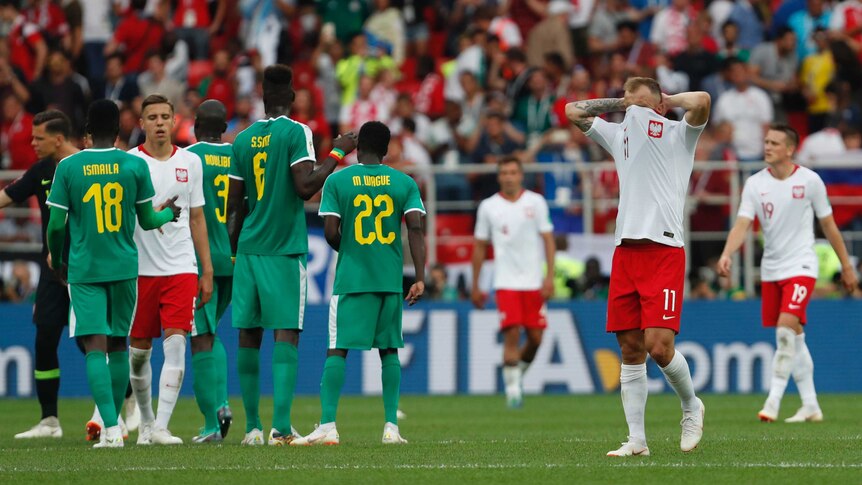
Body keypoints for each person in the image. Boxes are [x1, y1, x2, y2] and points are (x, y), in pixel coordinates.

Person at [566, 77, 711, 456]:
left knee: (659, 347)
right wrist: (624, 102)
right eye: (628, 98)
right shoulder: (618, 136)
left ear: (660, 105)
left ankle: (691, 405)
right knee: (630, 348)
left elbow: (703, 100)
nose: (631, 105)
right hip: (625, 251)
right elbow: (572, 111)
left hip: (663, 249)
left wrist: (660, 101)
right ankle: (637, 440)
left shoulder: (680, 135)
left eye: (638, 98)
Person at [226, 64, 357, 446]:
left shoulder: (243, 138)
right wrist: (338, 151)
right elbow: (305, 187)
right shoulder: (297, 131)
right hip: (283, 249)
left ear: (263, 97)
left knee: (248, 336)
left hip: (248, 249)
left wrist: (234, 256)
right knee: (287, 334)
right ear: (293, 97)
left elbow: (234, 207)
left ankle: (251, 429)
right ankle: (280, 428)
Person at [45, 99, 179, 448]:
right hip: (124, 268)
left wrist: (57, 258)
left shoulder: (68, 167)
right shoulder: (134, 165)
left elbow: (56, 225)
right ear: (118, 132)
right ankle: (116, 427)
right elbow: (149, 220)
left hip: (85, 269)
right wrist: (170, 214)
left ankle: (110, 428)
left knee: (94, 347)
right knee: (119, 344)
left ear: (86, 134)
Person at [292, 121, 425, 446]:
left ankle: (328, 425)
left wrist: (352, 250)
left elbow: (330, 233)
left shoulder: (339, 180)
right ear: (387, 149)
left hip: (352, 277)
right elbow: (416, 230)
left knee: (337, 349)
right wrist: (420, 277)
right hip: (389, 278)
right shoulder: (403, 181)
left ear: (358, 146)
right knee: (389, 349)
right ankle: (391, 427)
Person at [717, 124, 858, 423]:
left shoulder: (810, 181)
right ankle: (810, 404)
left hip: (802, 266)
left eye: (774, 143)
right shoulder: (755, 184)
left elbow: (829, 225)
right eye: (766, 141)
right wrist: (727, 253)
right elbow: (742, 224)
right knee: (795, 337)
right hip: (771, 269)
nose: (767, 147)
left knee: (784, 330)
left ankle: (773, 401)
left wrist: (847, 266)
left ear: (790, 149)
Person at [125, 94, 214, 445]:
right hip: (140, 269)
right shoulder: (129, 163)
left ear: (175, 121)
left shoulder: (191, 163)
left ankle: (161, 426)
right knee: (139, 353)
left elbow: (196, 217)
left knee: (176, 344)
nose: (160, 122)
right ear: (142, 123)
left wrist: (206, 270)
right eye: (153, 117)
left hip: (180, 267)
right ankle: (145, 421)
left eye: (165, 116)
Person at [1, 110, 76, 439]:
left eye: (38, 137)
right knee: (45, 339)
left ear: (58, 139)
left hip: (86, 268)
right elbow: (7, 196)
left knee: (94, 343)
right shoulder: (40, 170)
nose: (31, 143)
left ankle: (125, 405)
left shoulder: (86, 166)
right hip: (51, 268)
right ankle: (49, 421)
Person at [470, 157, 555, 409]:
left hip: (533, 282)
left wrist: (549, 276)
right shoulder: (488, 207)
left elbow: (548, 240)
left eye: (513, 172)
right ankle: (513, 392)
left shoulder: (535, 202)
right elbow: (479, 247)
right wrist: (476, 285)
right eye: (504, 172)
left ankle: (515, 377)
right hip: (505, 281)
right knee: (512, 333)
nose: (508, 177)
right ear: (499, 177)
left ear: (521, 175)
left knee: (536, 339)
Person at [184, 99, 234, 443]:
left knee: (200, 337)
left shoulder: (188, 157)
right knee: (212, 331)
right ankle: (224, 403)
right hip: (234, 257)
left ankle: (212, 423)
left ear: (195, 126)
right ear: (225, 127)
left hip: (202, 260)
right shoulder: (237, 155)